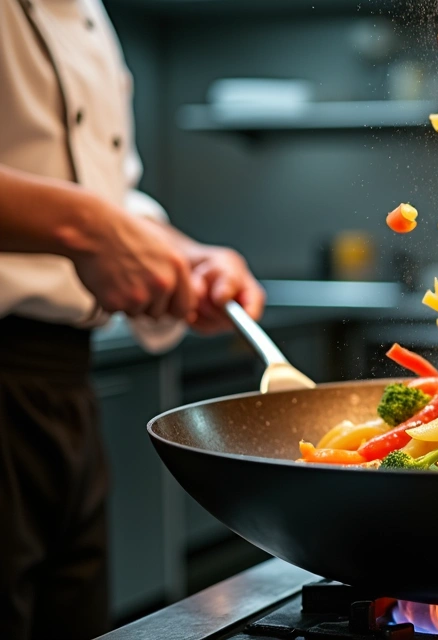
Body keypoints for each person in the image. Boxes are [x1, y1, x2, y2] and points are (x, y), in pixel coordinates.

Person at [0, 1, 265, 638]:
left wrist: (185, 256)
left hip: (63, 386)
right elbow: (93, 216)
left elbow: (112, 196)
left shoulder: (89, 11)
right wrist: (85, 229)